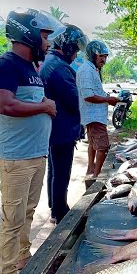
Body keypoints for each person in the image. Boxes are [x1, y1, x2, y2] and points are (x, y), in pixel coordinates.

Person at [0, 7, 64, 274]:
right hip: (16, 158)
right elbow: (5, 105)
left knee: (27, 212)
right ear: (28, 34)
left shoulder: (32, 69)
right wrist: (44, 106)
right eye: (44, 35)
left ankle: (23, 258)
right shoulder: (3, 66)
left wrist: (43, 106)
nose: (48, 42)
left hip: (35, 154)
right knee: (12, 218)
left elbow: (32, 101)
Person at [40, 24, 89, 223]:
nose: (76, 53)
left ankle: (55, 207)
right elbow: (74, 99)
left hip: (55, 128)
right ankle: (60, 212)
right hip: (61, 129)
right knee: (61, 172)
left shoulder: (51, 62)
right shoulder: (59, 67)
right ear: (67, 45)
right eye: (76, 49)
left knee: (55, 170)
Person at [76, 40, 119, 180]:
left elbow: (94, 91)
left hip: (94, 116)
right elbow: (88, 96)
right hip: (94, 117)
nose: (104, 60)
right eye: (101, 56)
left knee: (93, 144)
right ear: (92, 55)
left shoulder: (91, 69)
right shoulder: (86, 70)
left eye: (105, 56)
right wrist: (108, 100)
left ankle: (91, 169)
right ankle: (96, 175)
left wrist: (107, 97)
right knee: (102, 147)